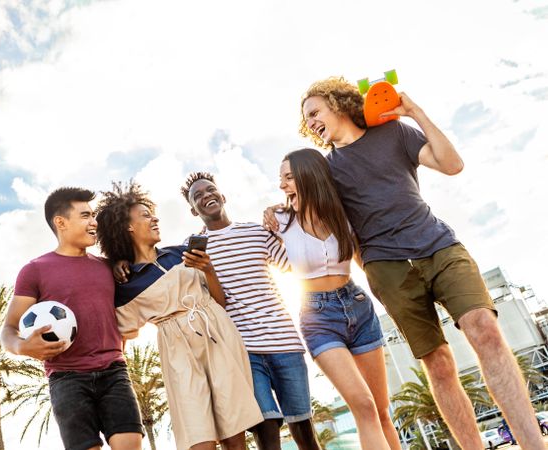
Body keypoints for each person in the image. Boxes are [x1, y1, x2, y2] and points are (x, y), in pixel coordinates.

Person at [266, 76, 543, 449]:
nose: (312, 122)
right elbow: (310, 213)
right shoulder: (327, 171)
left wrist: (414, 112)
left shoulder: (395, 133)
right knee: (439, 363)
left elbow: (452, 164)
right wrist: (278, 210)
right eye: (307, 119)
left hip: (439, 246)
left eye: (315, 111)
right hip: (388, 269)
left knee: (485, 329)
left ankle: (533, 444)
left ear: (337, 103)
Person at [95, 181, 263, 450]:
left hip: (218, 336)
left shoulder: (180, 254)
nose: (155, 218)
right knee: (197, 435)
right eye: (146, 215)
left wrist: (208, 269)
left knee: (235, 431)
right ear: (128, 226)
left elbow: (219, 301)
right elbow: (123, 333)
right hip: (178, 353)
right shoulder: (125, 283)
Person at [178, 172, 319, 450]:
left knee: (304, 432)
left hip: (284, 341)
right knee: (266, 431)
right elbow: (208, 303)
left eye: (210, 190)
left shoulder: (256, 231)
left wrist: (285, 223)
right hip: (242, 351)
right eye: (198, 196)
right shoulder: (191, 250)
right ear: (194, 210)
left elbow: (294, 266)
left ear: (222, 196)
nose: (206, 196)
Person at [0, 187, 144, 450]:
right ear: (61, 222)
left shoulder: (106, 266)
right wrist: (22, 346)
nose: (94, 223)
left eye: (93, 216)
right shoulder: (34, 271)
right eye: (86, 216)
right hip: (67, 379)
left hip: (114, 371)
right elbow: (8, 329)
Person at [275, 149, 400, 450]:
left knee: (382, 412)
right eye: (280, 179)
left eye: (289, 177)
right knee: (364, 406)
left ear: (310, 176)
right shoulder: (279, 220)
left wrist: (392, 303)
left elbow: (362, 260)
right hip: (318, 317)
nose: (282, 185)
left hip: (357, 303)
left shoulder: (344, 213)